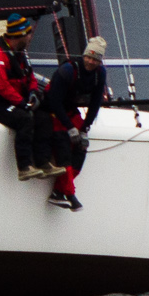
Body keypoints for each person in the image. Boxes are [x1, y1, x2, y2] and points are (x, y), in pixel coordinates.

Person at [0, 14, 57, 180]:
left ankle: (43, 161)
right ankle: (24, 166)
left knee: (44, 118)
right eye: (29, 34)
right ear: (21, 35)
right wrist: (23, 103)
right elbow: (1, 86)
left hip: (18, 101)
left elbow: (29, 77)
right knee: (25, 119)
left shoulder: (20, 54)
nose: (31, 37)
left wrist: (32, 93)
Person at [39, 36, 108, 211]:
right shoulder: (68, 71)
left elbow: (95, 103)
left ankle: (58, 191)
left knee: (81, 147)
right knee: (63, 145)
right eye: (89, 57)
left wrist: (84, 128)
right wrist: (70, 128)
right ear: (84, 55)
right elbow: (54, 101)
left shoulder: (100, 74)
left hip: (69, 110)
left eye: (95, 59)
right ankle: (70, 194)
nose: (91, 62)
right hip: (52, 110)